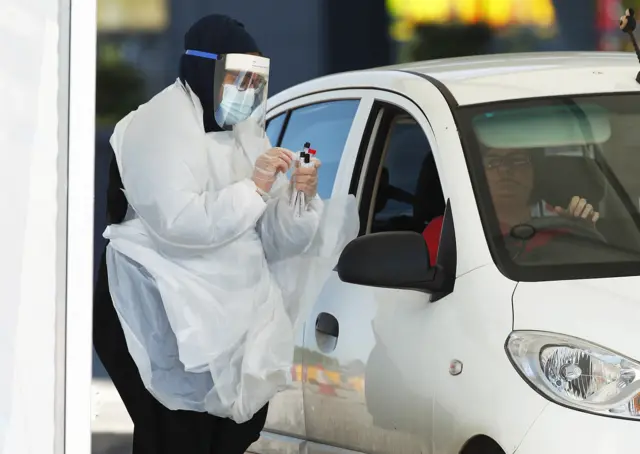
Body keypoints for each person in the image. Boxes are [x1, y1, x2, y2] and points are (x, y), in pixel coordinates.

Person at [94, 14, 328, 454]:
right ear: (205, 68)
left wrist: (297, 201)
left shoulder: (244, 131)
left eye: (256, 80)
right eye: (239, 77)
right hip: (154, 308)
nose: (248, 92)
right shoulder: (157, 126)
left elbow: (274, 239)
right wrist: (253, 189)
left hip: (218, 313)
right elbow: (178, 223)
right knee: (175, 436)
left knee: (227, 437)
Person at [423, 147, 600, 265]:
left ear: (535, 173)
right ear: (476, 174)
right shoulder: (446, 232)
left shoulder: (564, 228)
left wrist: (583, 230)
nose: (505, 170)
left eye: (518, 161)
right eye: (492, 162)